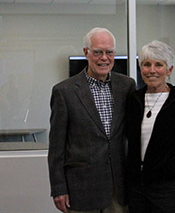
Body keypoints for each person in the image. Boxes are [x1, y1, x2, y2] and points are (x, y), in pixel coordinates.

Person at [48, 27, 136, 213]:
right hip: (81, 190)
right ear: (86, 53)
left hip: (119, 190)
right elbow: (57, 148)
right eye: (98, 52)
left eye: (109, 52)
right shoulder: (64, 92)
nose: (104, 58)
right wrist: (58, 188)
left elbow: (146, 111)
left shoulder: (126, 86)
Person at [126, 40, 175, 213]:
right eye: (147, 64)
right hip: (137, 191)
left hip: (170, 190)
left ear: (169, 70)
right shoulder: (133, 100)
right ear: (141, 69)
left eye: (159, 65)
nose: (152, 70)